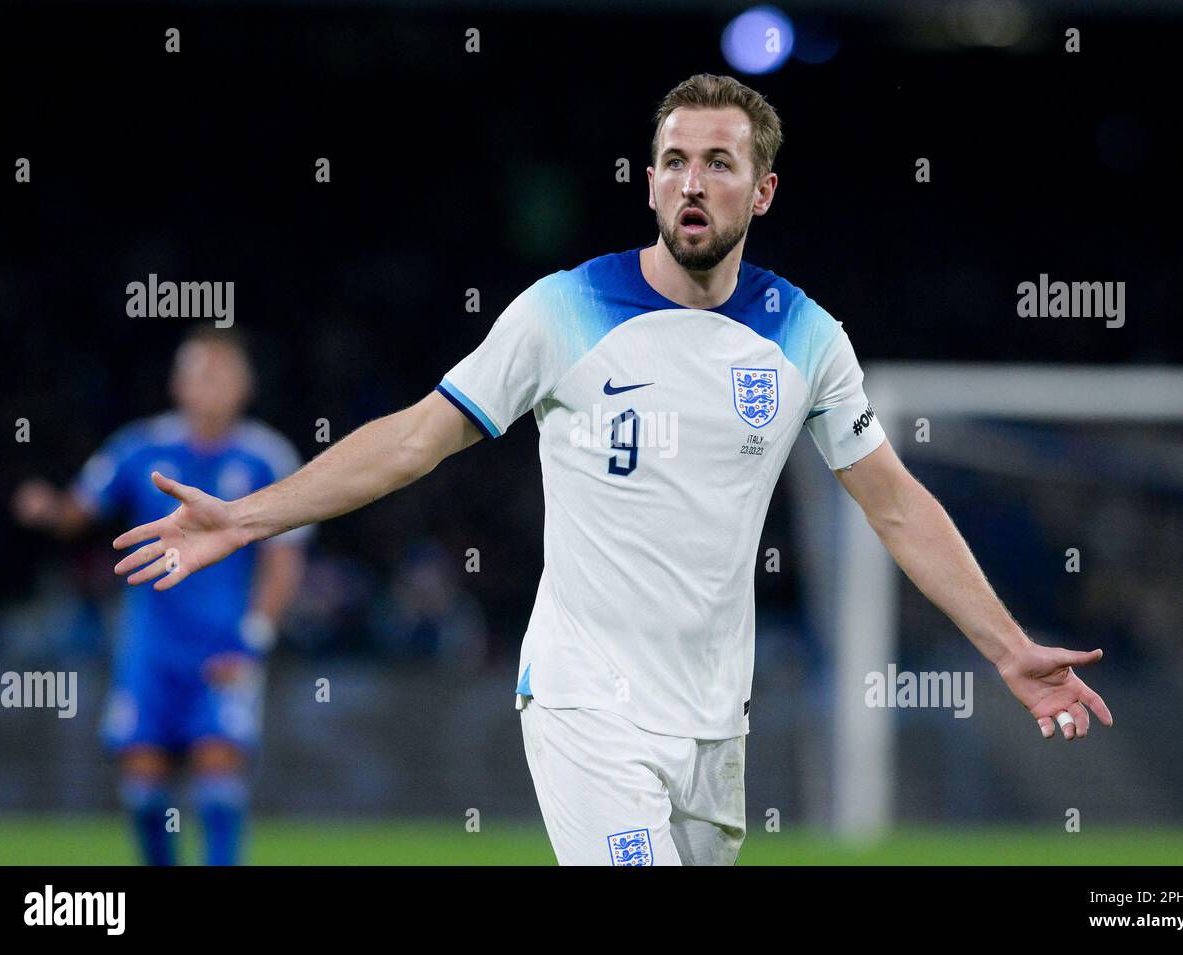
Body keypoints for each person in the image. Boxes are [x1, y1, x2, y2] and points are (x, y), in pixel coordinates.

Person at [110, 74, 1112, 866]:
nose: (690, 181)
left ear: (760, 189)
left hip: (715, 718)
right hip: (587, 700)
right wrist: (249, 518)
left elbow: (892, 503)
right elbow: (417, 436)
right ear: (647, 181)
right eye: (672, 161)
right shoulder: (560, 313)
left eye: (718, 163)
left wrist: (1006, 645)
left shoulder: (805, 336)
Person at [14, 326, 309, 865]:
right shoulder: (138, 448)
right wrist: (50, 509)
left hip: (224, 645)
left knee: (218, 774)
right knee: (144, 784)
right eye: (199, 371)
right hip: (150, 645)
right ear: (178, 383)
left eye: (223, 373)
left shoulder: (267, 457)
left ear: (245, 386)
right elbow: (80, 510)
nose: (210, 384)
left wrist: (255, 637)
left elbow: (283, 560)